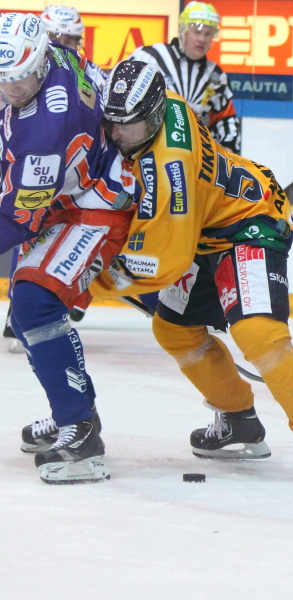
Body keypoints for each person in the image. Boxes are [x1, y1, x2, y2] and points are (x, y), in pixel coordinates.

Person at [85, 59, 293, 476]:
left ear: (153, 118)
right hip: (203, 227)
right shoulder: (165, 103)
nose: (114, 135)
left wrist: (89, 285)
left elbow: (164, 261)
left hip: (251, 221)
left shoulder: (168, 171)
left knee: (256, 330)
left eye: (126, 127)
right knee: (172, 328)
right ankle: (238, 419)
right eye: (109, 122)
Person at [0, 13, 134, 483]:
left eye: (18, 83)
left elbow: (16, 218)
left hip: (92, 202)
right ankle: (72, 414)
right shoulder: (48, 52)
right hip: (67, 190)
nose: (10, 91)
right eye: (3, 81)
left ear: (38, 65)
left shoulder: (43, 133)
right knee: (27, 309)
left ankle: (80, 431)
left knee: (35, 306)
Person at [128, 2, 240, 153]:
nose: (202, 39)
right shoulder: (149, 57)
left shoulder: (216, 76)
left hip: (192, 156)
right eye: (197, 32)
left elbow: (225, 119)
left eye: (208, 34)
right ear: (183, 31)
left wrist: (229, 149)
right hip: (143, 149)